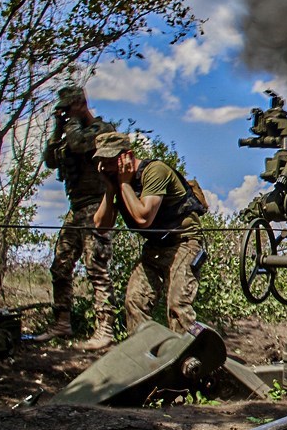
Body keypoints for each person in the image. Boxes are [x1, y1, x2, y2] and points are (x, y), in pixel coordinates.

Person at [92, 132, 208, 334]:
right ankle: (144, 356)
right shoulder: (118, 182)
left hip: (184, 243)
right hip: (156, 247)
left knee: (178, 307)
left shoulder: (155, 171)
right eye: (102, 161)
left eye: (110, 160)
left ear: (127, 156)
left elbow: (143, 219)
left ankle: (187, 360)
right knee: (134, 301)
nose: (106, 166)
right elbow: (101, 226)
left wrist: (125, 183)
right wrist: (111, 188)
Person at [38, 86, 117, 349]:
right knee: (60, 265)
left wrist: (71, 123)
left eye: (68, 108)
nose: (65, 113)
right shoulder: (68, 133)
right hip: (76, 208)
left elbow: (79, 144)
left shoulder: (101, 130)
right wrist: (56, 129)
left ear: (81, 104)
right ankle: (62, 323)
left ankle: (105, 329)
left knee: (96, 267)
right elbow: (50, 160)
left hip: (97, 205)